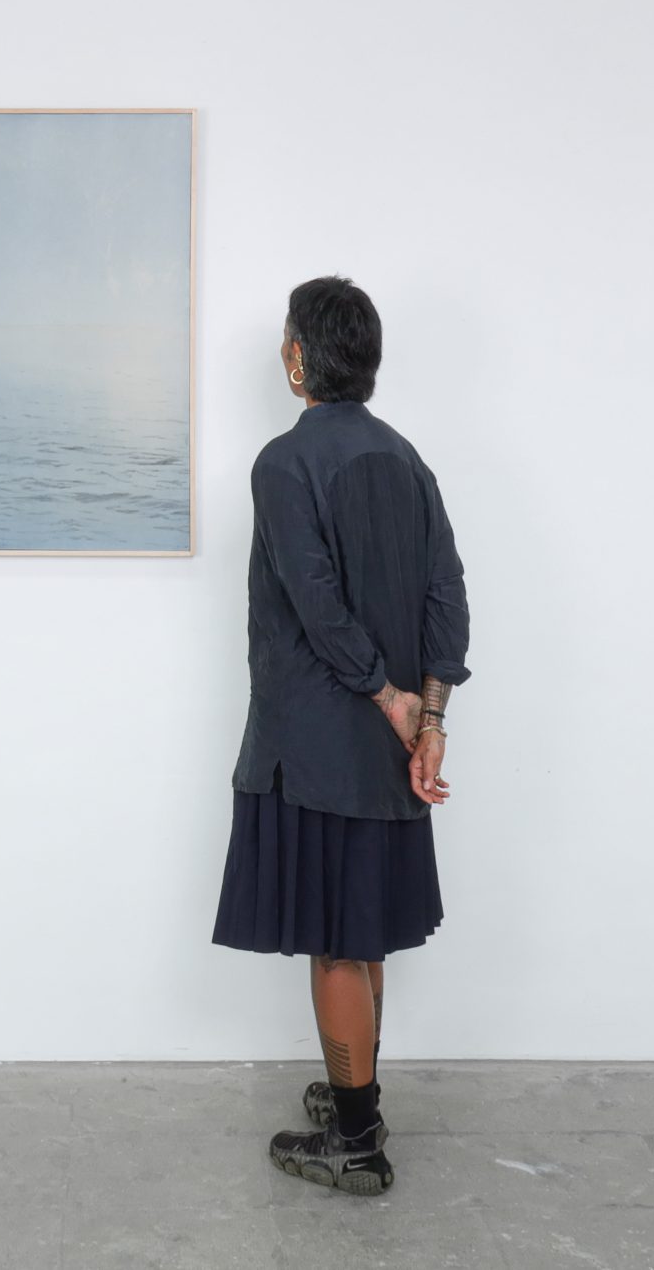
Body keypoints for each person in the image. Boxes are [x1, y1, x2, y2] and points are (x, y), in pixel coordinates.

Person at [211, 274, 469, 1197]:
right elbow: (447, 593)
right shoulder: (407, 459)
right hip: (388, 749)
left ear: (298, 357)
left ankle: (356, 1142)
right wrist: (428, 715)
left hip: (316, 741)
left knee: (334, 942)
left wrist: (388, 697)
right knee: (362, 935)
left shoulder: (284, 463)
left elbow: (316, 605)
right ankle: (357, 1096)